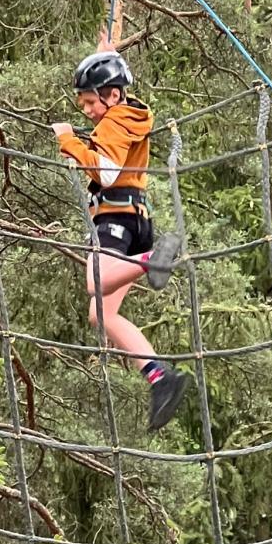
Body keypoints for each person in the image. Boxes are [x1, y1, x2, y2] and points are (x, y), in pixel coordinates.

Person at [51, 33, 189, 430]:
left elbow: (107, 173)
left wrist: (69, 142)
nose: (87, 111)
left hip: (117, 216)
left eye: (90, 102)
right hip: (134, 218)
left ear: (112, 96)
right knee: (101, 314)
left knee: (94, 283)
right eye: (82, 104)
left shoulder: (114, 121)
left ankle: (150, 260)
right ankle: (160, 377)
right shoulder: (127, 115)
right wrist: (107, 57)